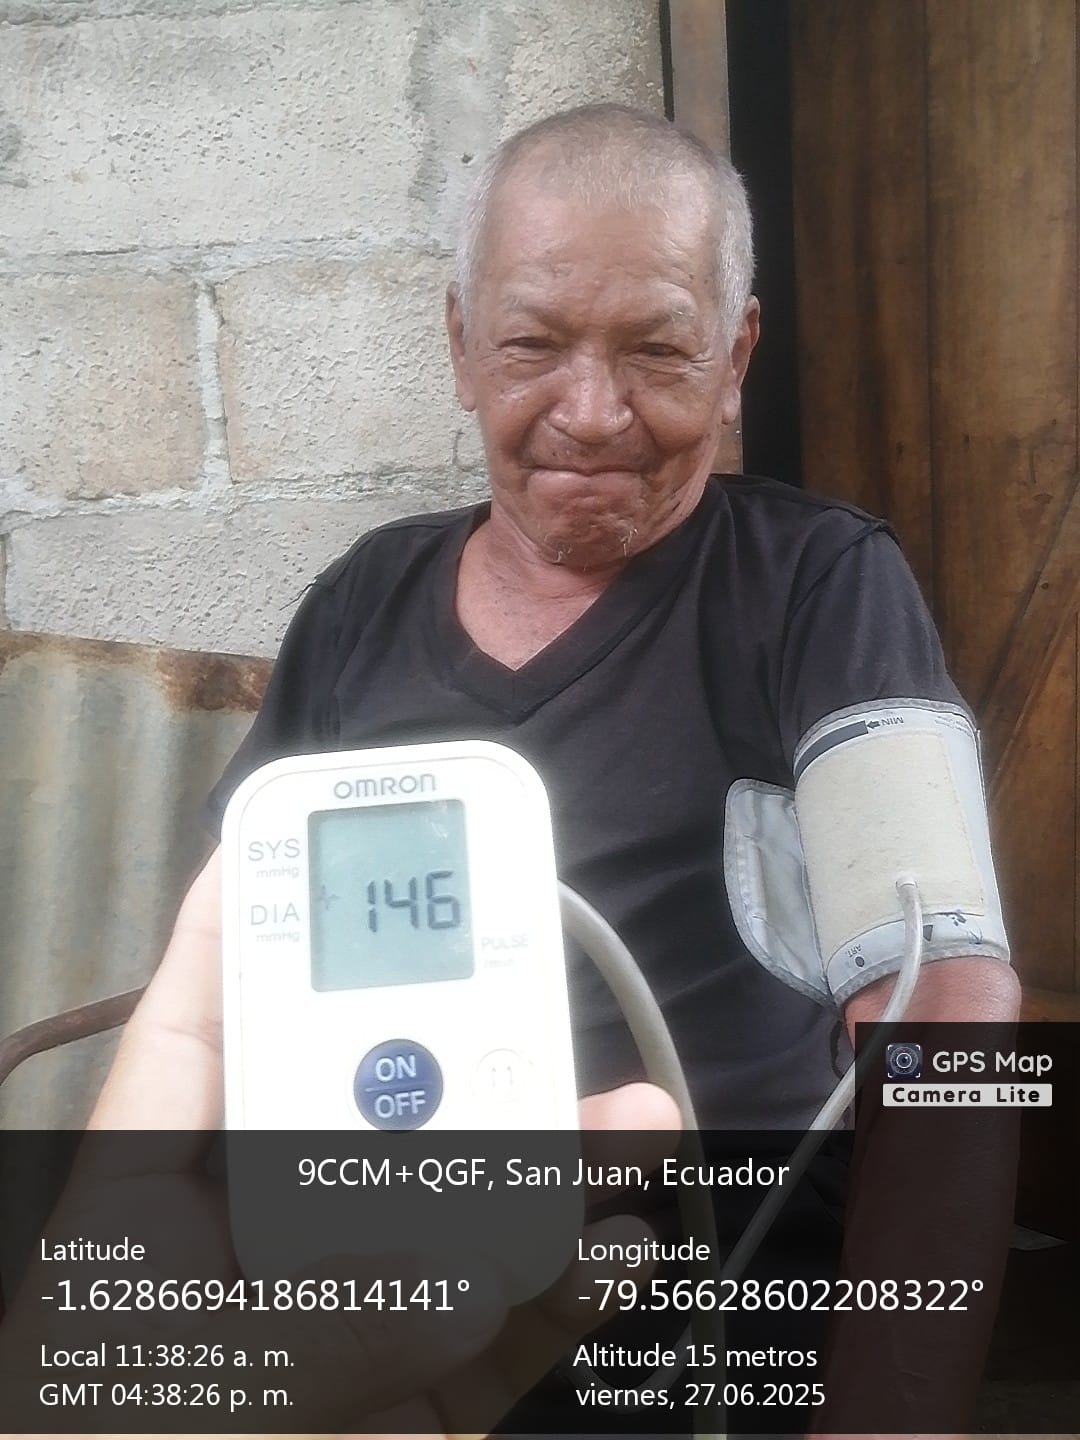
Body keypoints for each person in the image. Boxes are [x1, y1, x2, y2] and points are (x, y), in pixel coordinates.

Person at [93, 103, 1020, 1436]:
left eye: (659, 349)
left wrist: (889, 1421)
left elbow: (952, 1006)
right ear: (461, 347)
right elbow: (226, 986)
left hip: (720, 1322)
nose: (592, 415)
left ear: (737, 356)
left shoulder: (820, 587)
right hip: (389, 1325)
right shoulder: (360, 607)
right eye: (532, 345)